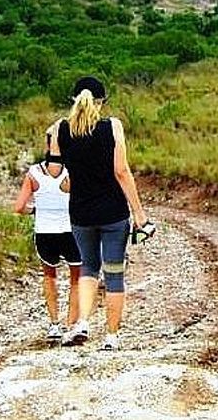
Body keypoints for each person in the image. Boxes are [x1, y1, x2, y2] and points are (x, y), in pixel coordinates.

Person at [48, 76, 153, 351]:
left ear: (74, 100)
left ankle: (82, 322)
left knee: (88, 269)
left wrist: (51, 140)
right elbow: (121, 172)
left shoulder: (61, 129)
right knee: (114, 272)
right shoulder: (112, 127)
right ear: (101, 102)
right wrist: (140, 214)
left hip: (81, 214)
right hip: (113, 213)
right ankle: (111, 337)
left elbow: (56, 173)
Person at [13, 155, 81, 342]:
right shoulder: (72, 170)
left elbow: (19, 207)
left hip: (44, 231)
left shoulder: (34, 173)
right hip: (70, 230)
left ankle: (54, 324)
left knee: (49, 276)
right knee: (76, 277)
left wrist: (36, 210)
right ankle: (71, 325)